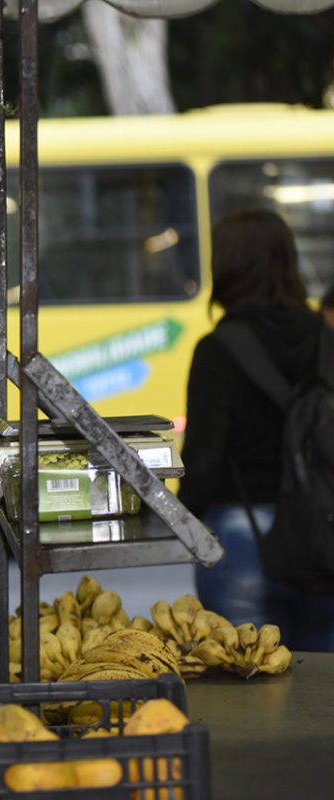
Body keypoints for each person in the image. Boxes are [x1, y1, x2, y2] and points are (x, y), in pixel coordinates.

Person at [179, 208, 334, 651]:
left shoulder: (217, 352)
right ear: (288, 263)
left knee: (250, 689)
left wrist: (179, 521)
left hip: (243, 533)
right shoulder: (326, 339)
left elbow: (204, 460)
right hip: (325, 533)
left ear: (225, 268)